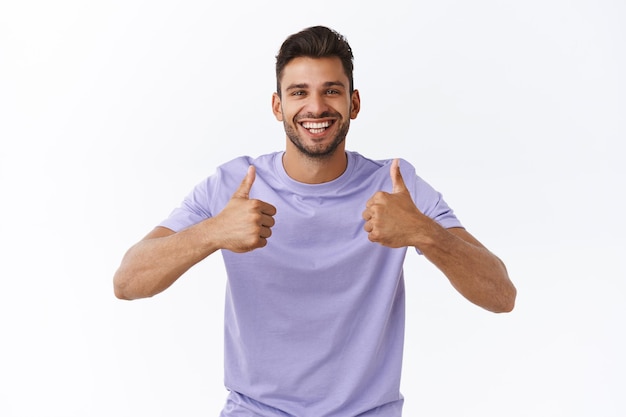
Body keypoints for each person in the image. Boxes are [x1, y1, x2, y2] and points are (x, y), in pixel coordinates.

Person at [113, 25, 516, 417]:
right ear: (278, 106)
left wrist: (425, 234)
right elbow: (128, 282)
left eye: (331, 91)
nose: (316, 107)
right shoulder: (232, 184)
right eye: (299, 92)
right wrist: (212, 232)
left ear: (354, 103)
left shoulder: (396, 187)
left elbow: (501, 295)